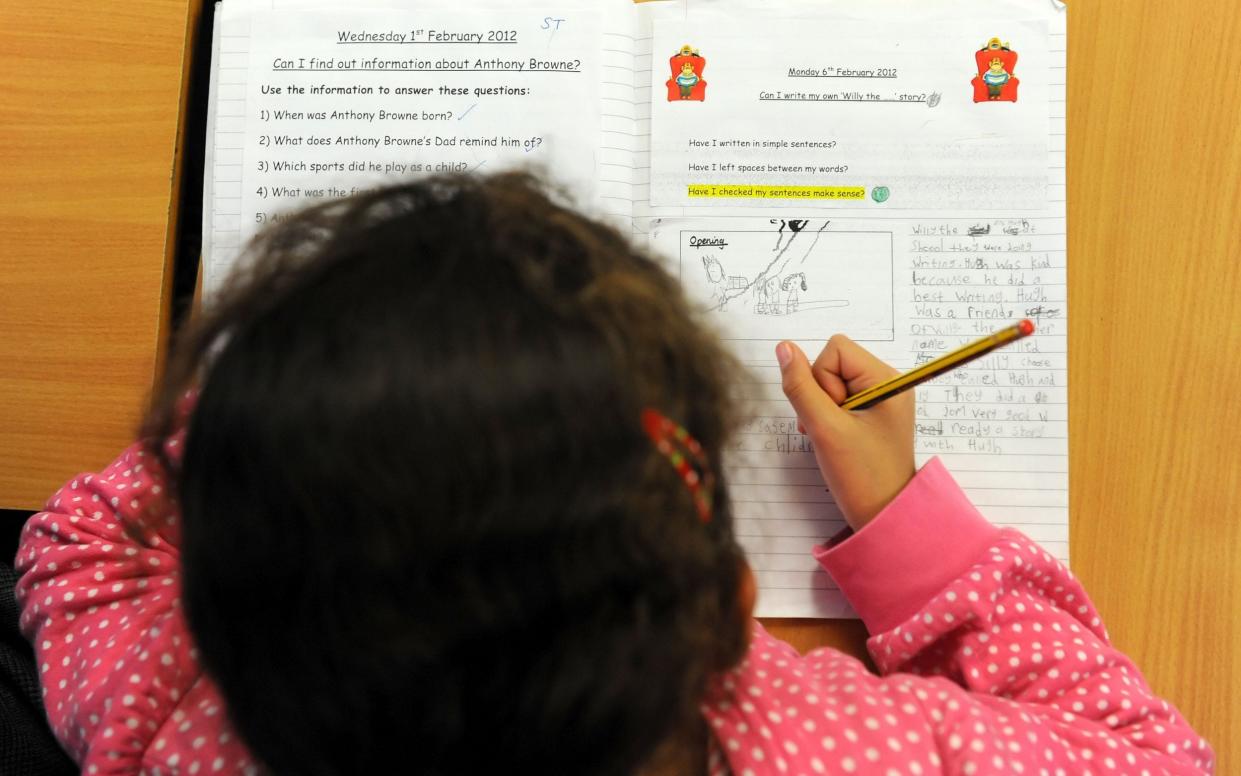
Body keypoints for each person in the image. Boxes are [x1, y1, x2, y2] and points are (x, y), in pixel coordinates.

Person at [15, 173, 1213, 775]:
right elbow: (1152, 757)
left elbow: (75, 546)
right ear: (731, 608)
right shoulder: (797, 739)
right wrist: (907, 521)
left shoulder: (169, 709)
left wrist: (311, 406)